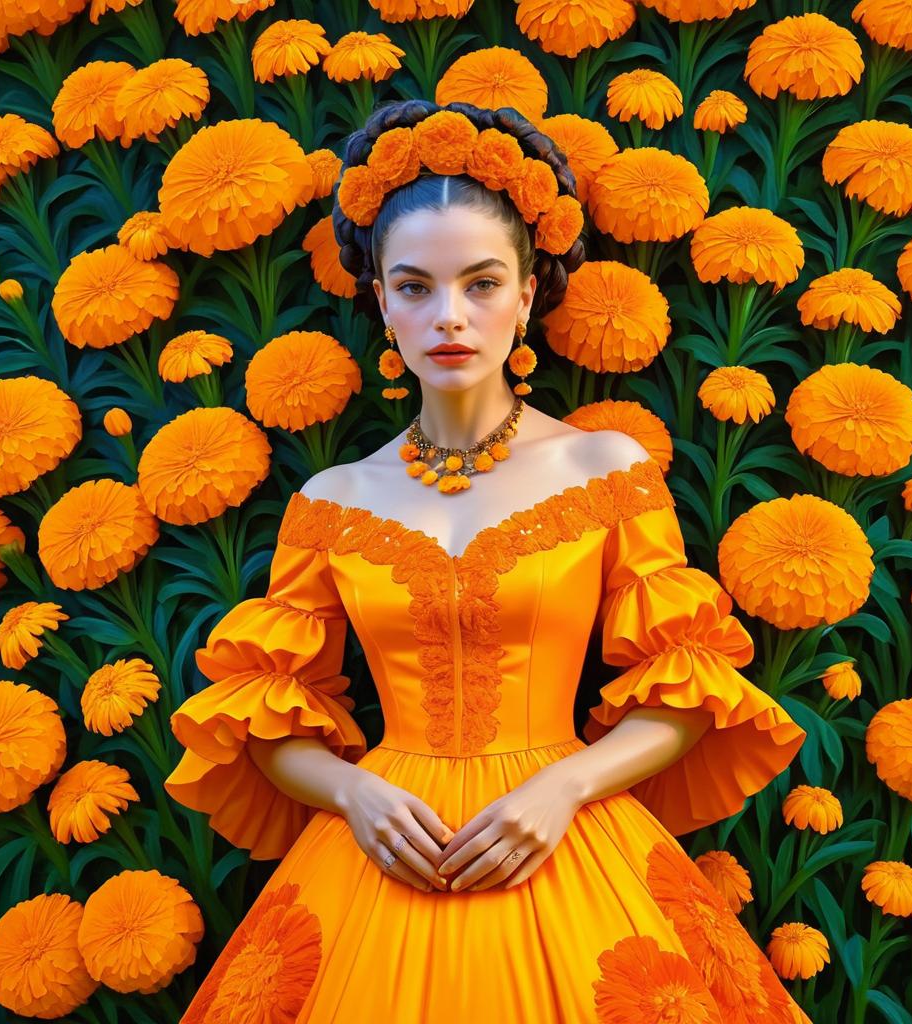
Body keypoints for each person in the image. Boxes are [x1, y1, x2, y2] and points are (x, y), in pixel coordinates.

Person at [163, 99, 811, 1022]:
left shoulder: (605, 468)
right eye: (416, 286)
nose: (450, 317)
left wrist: (566, 784)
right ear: (381, 300)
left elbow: (690, 683)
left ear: (528, 291)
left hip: (567, 841)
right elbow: (265, 711)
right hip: (383, 851)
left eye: (481, 282)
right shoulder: (331, 502)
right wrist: (351, 791)